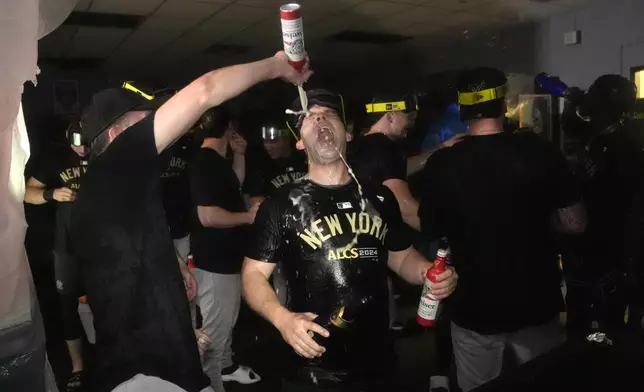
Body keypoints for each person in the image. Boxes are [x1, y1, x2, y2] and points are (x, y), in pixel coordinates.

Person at [69, 53, 311, 392]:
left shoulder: (110, 188)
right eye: (144, 118)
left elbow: (130, 252)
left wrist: (178, 270)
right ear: (116, 134)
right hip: (145, 371)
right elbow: (205, 91)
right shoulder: (115, 165)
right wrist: (276, 66)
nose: (158, 122)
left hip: (155, 359)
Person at [241, 89, 459, 391]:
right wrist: (282, 319)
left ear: (349, 132)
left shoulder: (379, 197)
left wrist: (426, 273)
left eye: (329, 113)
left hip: (377, 360)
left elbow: (401, 256)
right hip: (311, 366)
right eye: (308, 117)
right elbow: (252, 275)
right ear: (300, 142)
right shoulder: (280, 204)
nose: (319, 118)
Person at [417, 67, 586, 392]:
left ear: (463, 109)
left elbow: (432, 229)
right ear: (504, 104)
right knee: (544, 382)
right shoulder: (540, 150)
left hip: (474, 308)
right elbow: (575, 222)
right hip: (536, 303)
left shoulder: (443, 165)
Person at [564, 75, 644, 336]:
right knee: (584, 322)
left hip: (610, 254)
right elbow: (573, 127)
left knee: (606, 328)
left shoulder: (624, 145)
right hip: (592, 251)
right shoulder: (605, 136)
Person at [188, 107, 261, 391]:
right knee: (213, 339)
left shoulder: (217, 162)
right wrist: (247, 217)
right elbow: (207, 216)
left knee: (224, 326)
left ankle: (222, 373)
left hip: (225, 261)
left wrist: (240, 154)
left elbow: (233, 186)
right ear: (228, 128)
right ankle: (210, 386)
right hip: (214, 263)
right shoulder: (205, 163)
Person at [24, 121, 89, 392]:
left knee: (108, 298)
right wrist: (52, 193)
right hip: (64, 246)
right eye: (77, 143)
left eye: (86, 143)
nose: (81, 149)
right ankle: (78, 367)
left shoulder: (101, 152)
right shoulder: (54, 157)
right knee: (67, 306)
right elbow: (28, 193)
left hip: (99, 241)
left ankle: (114, 357)